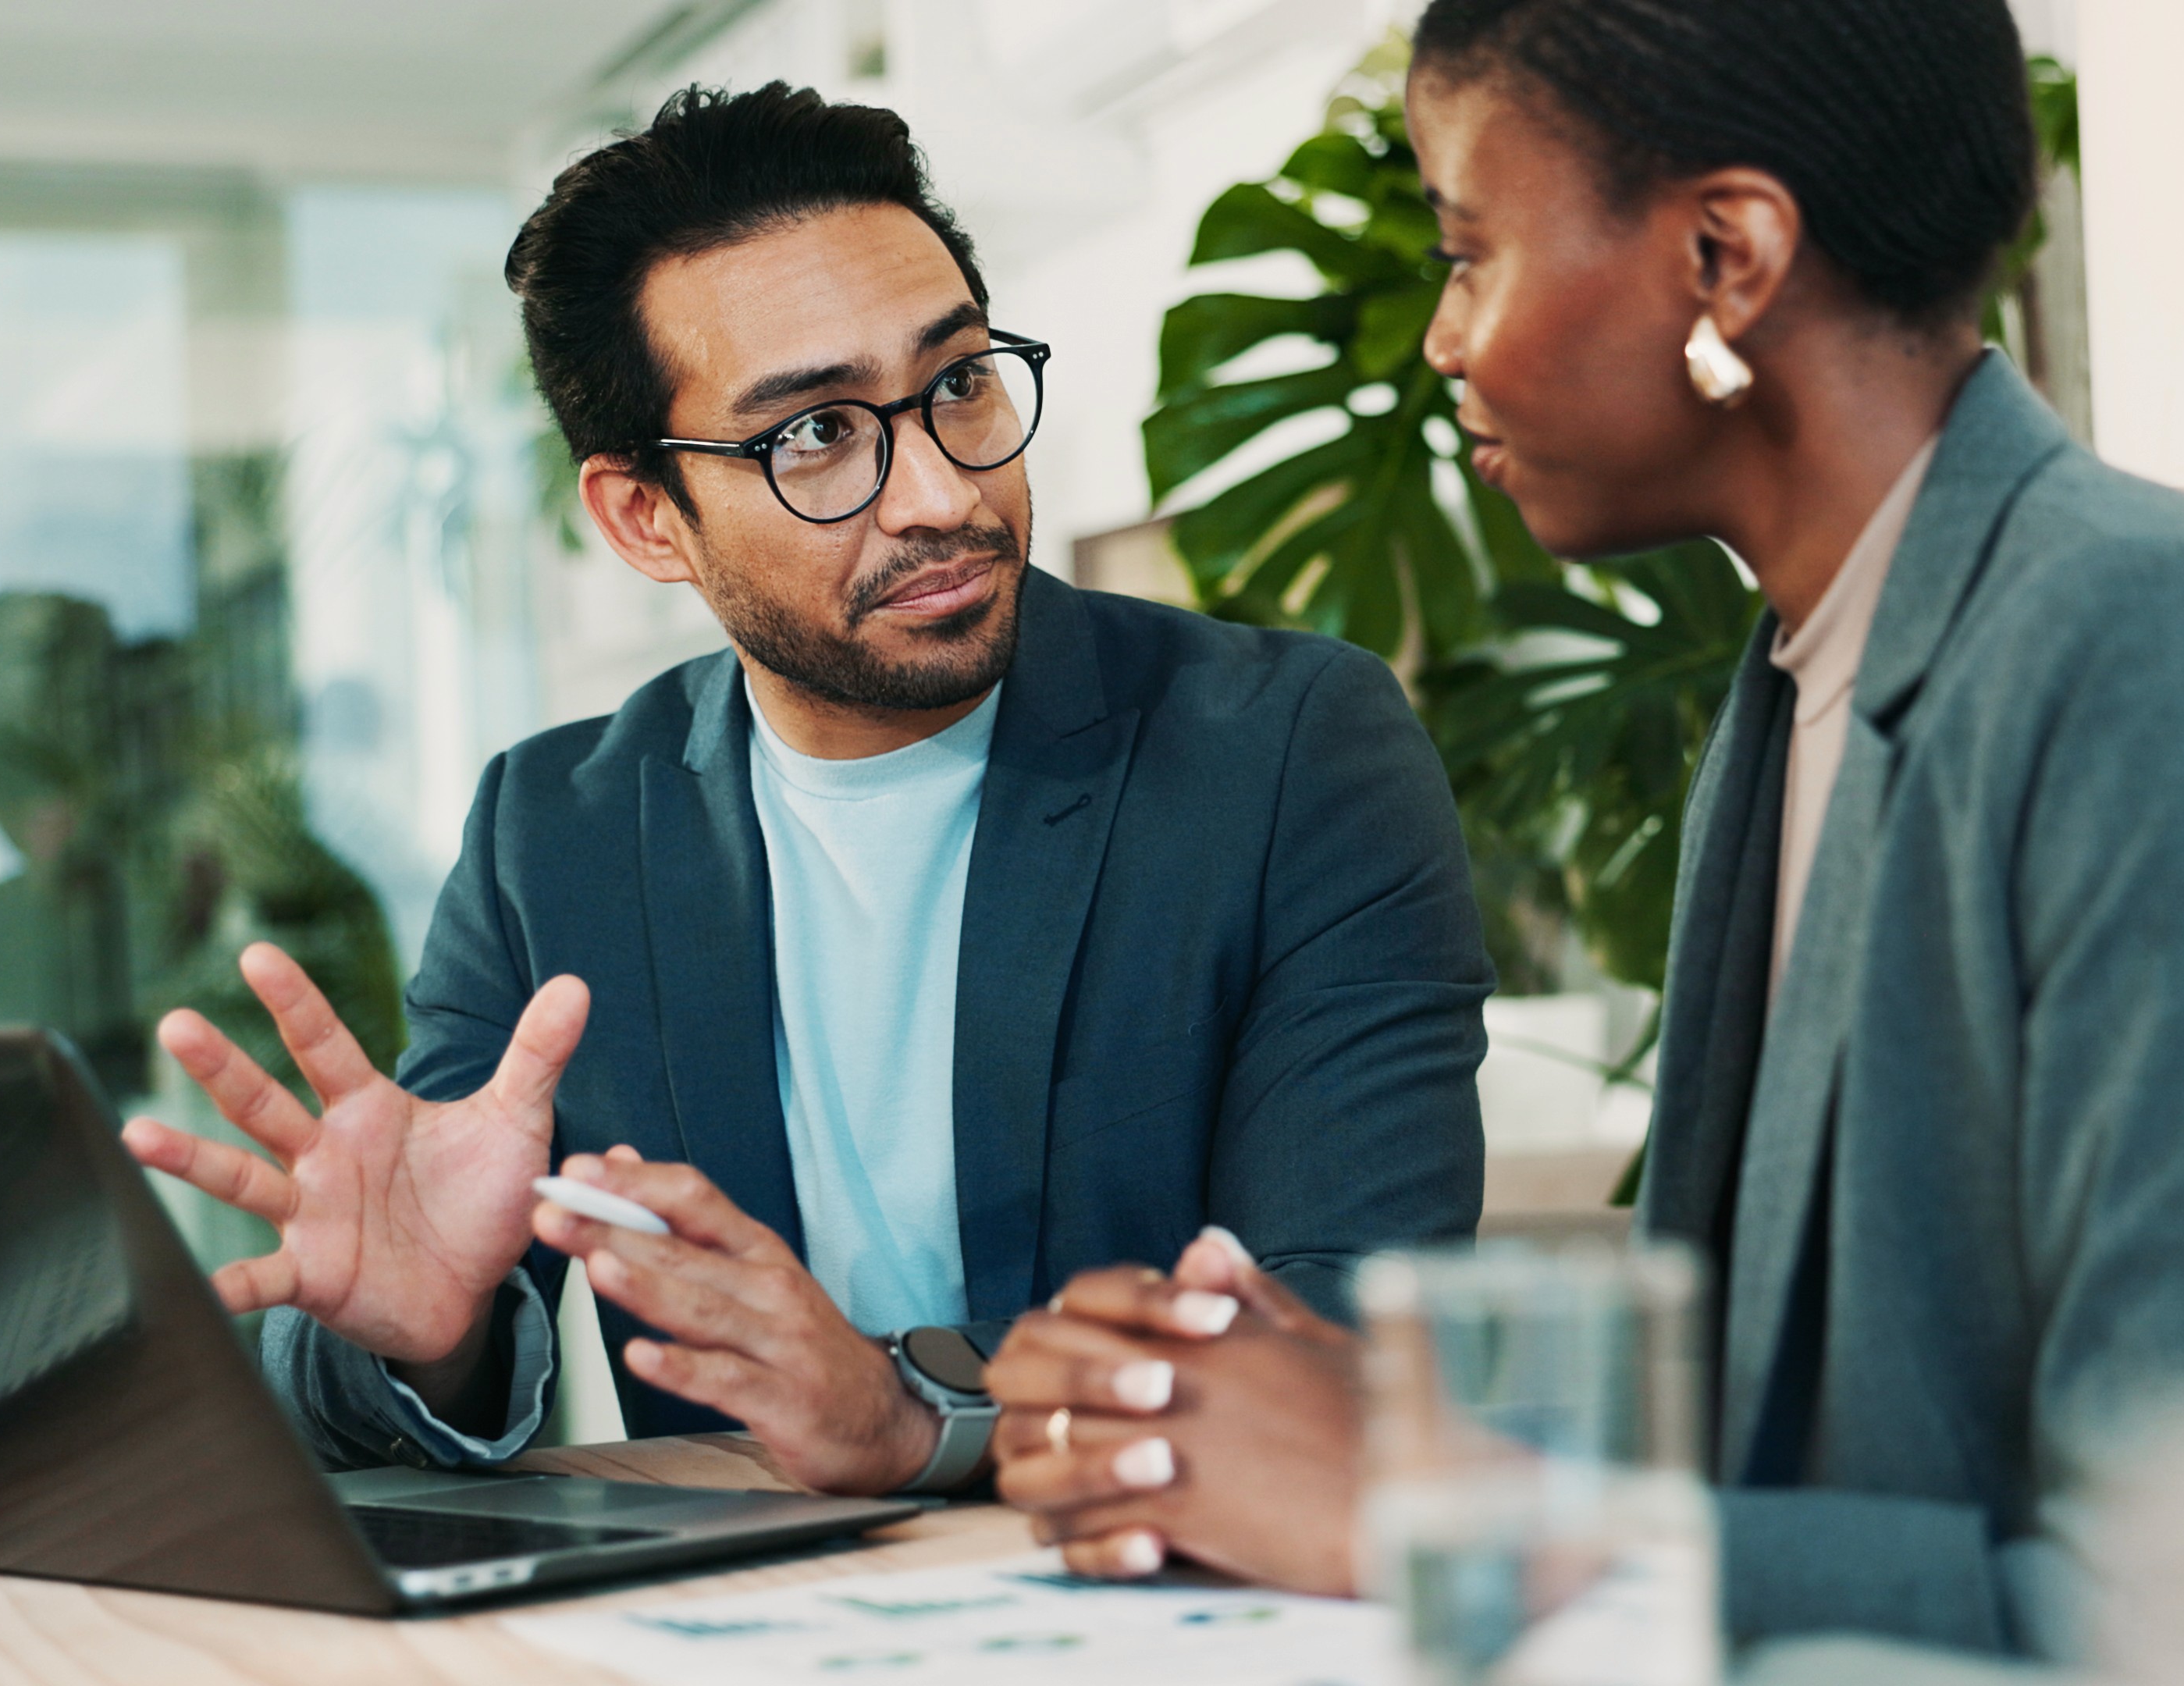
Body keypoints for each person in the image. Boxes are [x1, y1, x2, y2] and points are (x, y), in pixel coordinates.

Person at [976, 0, 2184, 1653]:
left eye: (1470, 252)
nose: (1444, 340)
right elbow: (1798, 1457)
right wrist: (1375, 1424)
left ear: (1725, 255)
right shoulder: (1806, 672)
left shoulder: (2165, 659)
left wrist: (1434, 1511)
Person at [119, 83, 1492, 1498]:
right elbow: (406, 1313)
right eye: (816, 435)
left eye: (957, 385)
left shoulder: (1281, 749)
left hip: (1184, 1597)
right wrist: (430, 1338)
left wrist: (923, 1416)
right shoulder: (557, 832)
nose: (940, 496)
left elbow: (1353, 1321)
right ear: (648, 518)